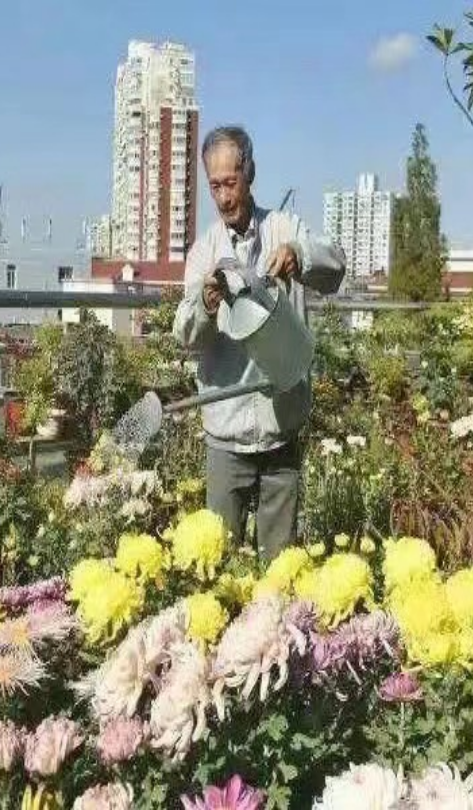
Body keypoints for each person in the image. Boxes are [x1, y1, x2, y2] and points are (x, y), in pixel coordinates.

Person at [173, 125, 346, 560]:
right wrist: (206, 303)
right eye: (215, 186)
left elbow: (336, 266)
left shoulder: (285, 228)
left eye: (231, 182)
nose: (224, 196)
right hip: (226, 437)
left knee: (280, 570)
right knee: (217, 566)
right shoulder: (204, 252)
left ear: (250, 173)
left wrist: (299, 255)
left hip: (280, 429)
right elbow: (185, 334)